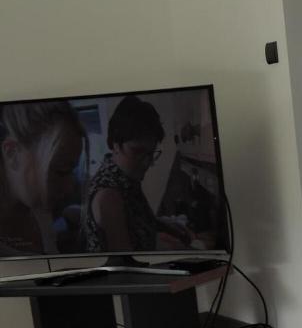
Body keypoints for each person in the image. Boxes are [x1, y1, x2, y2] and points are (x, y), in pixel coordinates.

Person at [83, 95, 190, 253]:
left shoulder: (126, 178)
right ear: (115, 144)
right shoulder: (109, 196)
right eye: (137, 151)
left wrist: (164, 225)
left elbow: (135, 221)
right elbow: (127, 261)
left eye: (150, 153)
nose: (147, 162)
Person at [0, 101, 85, 255]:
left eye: (71, 171)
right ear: (12, 153)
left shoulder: (39, 208)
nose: (69, 187)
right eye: (61, 171)